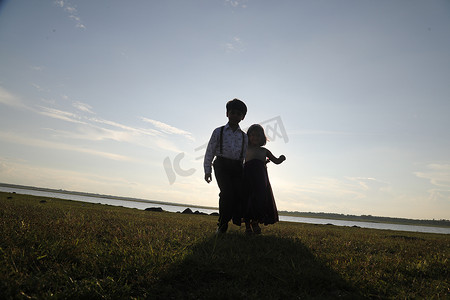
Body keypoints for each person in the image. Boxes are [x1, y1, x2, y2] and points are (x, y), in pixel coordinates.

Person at [204, 98, 248, 234]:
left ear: (243, 117)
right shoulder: (219, 131)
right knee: (227, 194)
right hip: (221, 165)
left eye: (239, 114)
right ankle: (222, 225)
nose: (235, 116)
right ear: (227, 113)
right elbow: (210, 151)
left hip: (237, 166)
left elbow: (246, 155)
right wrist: (207, 170)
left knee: (238, 195)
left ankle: (236, 219)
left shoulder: (244, 136)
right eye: (233, 112)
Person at [242, 124, 286, 234]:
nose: (255, 137)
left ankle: (255, 222)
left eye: (258, 135)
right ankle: (247, 225)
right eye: (252, 135)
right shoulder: (245, 149)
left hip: (261, 181)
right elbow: (238, 160)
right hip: (247, 179)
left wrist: (281, 159)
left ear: (262, 137)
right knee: (247, 201)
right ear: (248, 136)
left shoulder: (264, 151)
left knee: (259, 201)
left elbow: (275, 161)